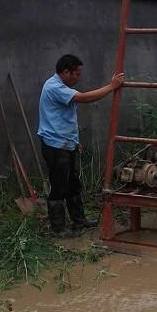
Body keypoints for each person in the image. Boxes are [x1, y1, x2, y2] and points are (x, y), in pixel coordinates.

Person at [38, 54, 124, 238]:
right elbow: (84, 98)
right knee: (59, 185)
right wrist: (112, 86)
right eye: (76, 74)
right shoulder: (55, 87)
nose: (78, 78)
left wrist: (75, 142)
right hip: (55, 145)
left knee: (73, 183)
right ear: (65, 72)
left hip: (66, 143)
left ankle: (79, 220)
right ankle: (58, 228)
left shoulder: (61, 86)